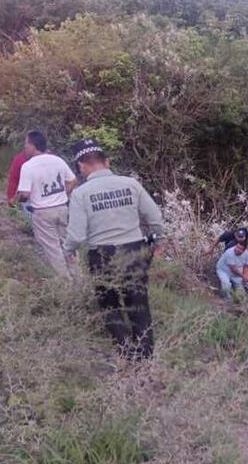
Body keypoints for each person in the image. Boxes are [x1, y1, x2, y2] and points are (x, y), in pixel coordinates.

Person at [63, 139, 164, 360]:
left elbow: (77, 235)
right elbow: (155, 218)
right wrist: (158, 240)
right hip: (134, 250)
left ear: (81, 166)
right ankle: (145, 358)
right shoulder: (131, 184)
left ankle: (126, 353)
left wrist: (67, 249)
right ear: (107, 162)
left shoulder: (81, 193)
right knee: (138, 304)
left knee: (109, 305)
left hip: (102, 255)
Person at [16, 130, 77, 279]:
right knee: (67, 244)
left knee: (52, 249)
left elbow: (24, 194)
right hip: (62, 208)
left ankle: (65, 283)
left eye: (26, 144)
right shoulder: (57, 160)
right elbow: (72, 180)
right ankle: (77, 276)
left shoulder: (28, 166)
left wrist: (19, 200)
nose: (25, 147)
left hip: (42, 212)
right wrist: (63, 194)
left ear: (32, 145)